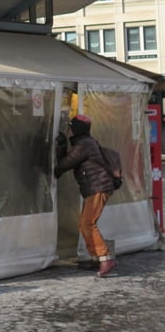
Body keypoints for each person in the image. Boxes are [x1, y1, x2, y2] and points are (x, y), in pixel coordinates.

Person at [55, 114, 118, 277]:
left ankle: (106, 259)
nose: (69, 131)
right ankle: (97, 257)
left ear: (75, 129)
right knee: (85, 223)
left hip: (98, 187)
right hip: (95, 187)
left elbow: (66, 163)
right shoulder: (85, 142)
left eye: (70, 128)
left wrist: (55, 166)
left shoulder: (84, 144)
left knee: (87, 223)